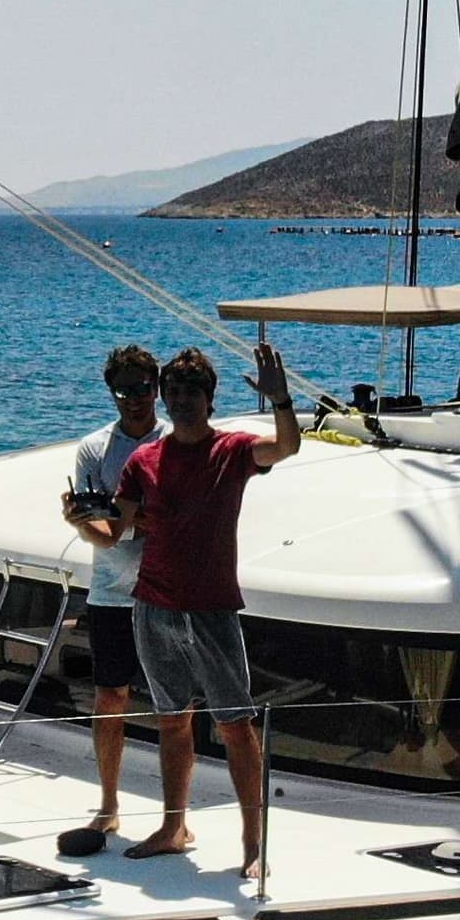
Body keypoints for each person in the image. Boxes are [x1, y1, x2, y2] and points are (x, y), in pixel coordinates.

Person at [114, 341, 302, 884]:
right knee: (172, 721)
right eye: (173, 392)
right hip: (154, 606)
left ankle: (253, 843)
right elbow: (115, 528)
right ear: (164, 398)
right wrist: (80, 518)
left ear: (210, 399)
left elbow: (286, 446)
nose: (182, 400)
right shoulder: (143, 460)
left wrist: (281, 399)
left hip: (213, 608)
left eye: (192, 392)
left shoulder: (233, 450)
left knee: (235, 725)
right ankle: (174, 828)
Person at [59, 344, 161, 840]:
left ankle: (175, 815)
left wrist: (119, 520)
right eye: (122, 391)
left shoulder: (176, 441)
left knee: (176, 707)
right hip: (111, 594)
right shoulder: (94, 448)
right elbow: (100, 531)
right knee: (108, 698)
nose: (133, 398)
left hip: (166, 592)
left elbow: (181, 521)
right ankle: (108, 804)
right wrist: (85, 522)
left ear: (156, 388)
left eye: (141, 388)